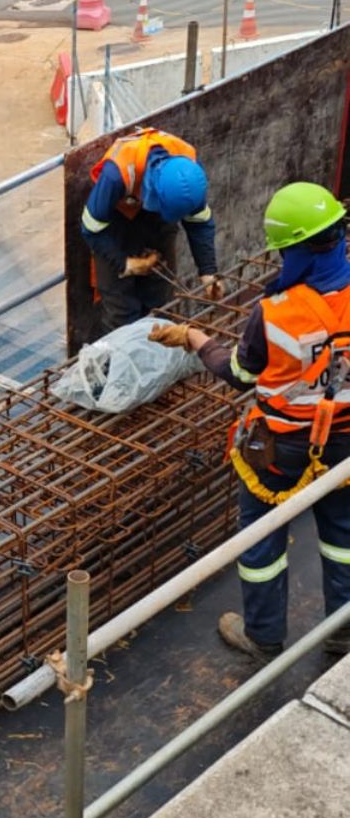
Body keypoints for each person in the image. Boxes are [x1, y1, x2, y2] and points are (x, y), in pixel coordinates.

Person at [150, 181, 350, 658]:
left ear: (292, 250)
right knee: (343, 536)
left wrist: (195, 338)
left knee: (261, 534)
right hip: (345, 439)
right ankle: (343, 629)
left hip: (280, 448)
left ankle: (262, 634)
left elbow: (239, 374)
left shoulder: (274, 313)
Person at [81, 125, 220, 331]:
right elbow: (91, 228)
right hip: (113, 225)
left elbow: (199, 223)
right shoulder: (116, 174)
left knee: (162, 306)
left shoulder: (188, 174)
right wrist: (125, 264)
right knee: (121, 313)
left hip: (156, 222)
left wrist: (208, 272)